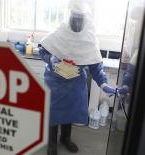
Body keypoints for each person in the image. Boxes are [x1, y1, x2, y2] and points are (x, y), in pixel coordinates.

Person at [38, 1, 116, 155]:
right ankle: (52, 143)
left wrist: (104, 85)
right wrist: (51, 58)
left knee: (70, 112)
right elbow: (42, 50)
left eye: (80, 18)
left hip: (74, 84)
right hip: (55, 82)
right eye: (75, 17)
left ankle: (65, 139)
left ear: (86, 19)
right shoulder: (59, 32)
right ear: (69, 17)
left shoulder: (89, 38)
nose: (77, 22)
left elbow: (96, 67)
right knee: (53, 113)